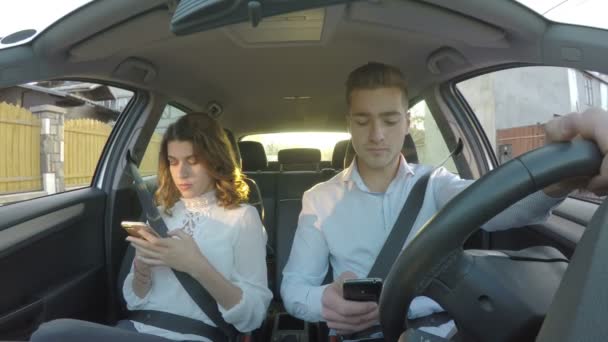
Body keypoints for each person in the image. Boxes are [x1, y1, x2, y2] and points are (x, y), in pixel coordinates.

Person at [280, 62, 608, 340]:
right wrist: (325, 301)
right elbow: (294, 288)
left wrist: (560, 179)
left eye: (390, 120)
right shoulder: (320, 199)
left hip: (442, 329)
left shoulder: (435, 184)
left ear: (408, 122)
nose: (377, 134)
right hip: (362, 334)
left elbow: (503, 210)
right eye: (363, 121)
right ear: (349, 124)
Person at [31, 112, 272, 341]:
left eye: (193, 161)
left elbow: (253, 316)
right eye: (173, 162)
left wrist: (196, 266)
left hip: (192, 336)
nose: (182, 173)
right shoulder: (160, 213)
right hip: (134, 329)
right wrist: (142, 271)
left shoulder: (243, 217)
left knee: (51, 334)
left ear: (215, 161)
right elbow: (134, 301)